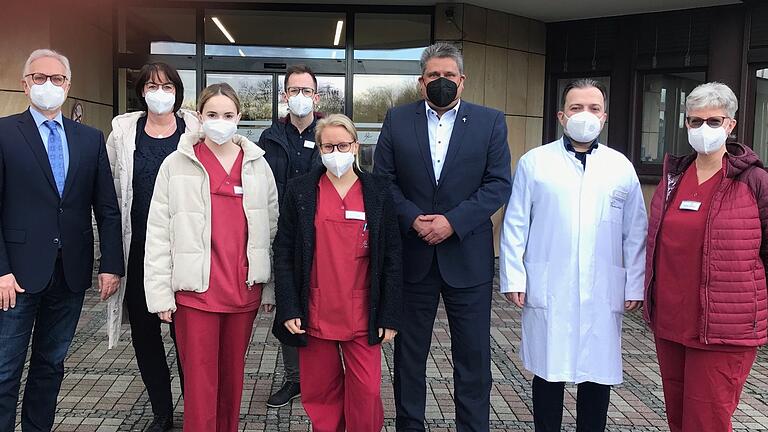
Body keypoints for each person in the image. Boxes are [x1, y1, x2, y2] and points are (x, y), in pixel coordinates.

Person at [373, 42, 512, 431]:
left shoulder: (490, 122)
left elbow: (498, 184)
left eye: (449, 75)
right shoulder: (397, 120)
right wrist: (414, 219)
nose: (442, 82)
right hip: (413, 256)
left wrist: (452, 222)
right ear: (421, 82)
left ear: (462, 81)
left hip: (467, 259)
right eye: (434, 75)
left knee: (473, 357)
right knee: (409, 357)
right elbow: (384, 181)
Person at [500, 78, 647, 432]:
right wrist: (515, 276)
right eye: (577, 108)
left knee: (596, 374)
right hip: (551, 283)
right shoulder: (535, 162)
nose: (585, 115)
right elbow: (515, 223)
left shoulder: (620, 167)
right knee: (549, 370)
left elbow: (636, 231)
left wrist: (634, 285)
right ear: (561, 116)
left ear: (605, 116)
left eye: (594, 108)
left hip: (601, 286)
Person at [0, 48, 124, 431]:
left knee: (50, 365)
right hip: (15, 277)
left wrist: (111, 265)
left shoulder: (89, 139)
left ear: (68, 86)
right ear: (25, 84)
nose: (48, 85)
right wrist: (1, 271)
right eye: (39, 78)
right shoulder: (4, 132)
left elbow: (106, 207)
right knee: (5, 369)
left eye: (56, 79)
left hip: (69, 273)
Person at [144, 83, 278, 432]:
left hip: (242, 292)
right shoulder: (177, 164)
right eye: (212, 115)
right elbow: (158, 233)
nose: (220, 121)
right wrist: (160, 293)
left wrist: (270, 287)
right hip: (195, 294)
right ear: (199, 117)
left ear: (239, 118)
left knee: (232, 382)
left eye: (228, 115)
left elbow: (272, 229)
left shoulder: (257, 165)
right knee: (200, 385)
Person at [644, 82, 768, 432]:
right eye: (695, 121)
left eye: (713, 121)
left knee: (706, 421)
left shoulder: (753, 181)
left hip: (724, 328)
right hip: (672, 322)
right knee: (679, 419)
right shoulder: (674, 178)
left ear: (730, 125)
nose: (703, 129)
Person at [272, 113, 402, 431]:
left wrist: (390, 314)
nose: (336, 152)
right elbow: (285, 251)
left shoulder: (379, 191)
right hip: (315, 311)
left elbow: (393, 256)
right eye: (328, 146)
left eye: (343, 145)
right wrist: (288, 305)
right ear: (319, 148)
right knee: (321, 394)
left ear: (356, 146)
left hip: (362, 312)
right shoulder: (300, 190)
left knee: (367, 391)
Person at [105, 62, 199, 432]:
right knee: (146, 339)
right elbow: (110, 198)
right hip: (140, 251)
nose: (159, 92)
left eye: (166, 86)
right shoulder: (124, 133)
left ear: (177, 91)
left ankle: (196, 408)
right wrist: (110, 260)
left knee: (188, 338)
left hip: (185, 253)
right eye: (151, 85)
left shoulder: (196, 130)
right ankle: (162, 410)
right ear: (141, 91)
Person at [258, 64, 323, 407]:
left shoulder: (327, 133)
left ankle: (319, 377)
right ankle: (293, 379)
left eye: (307, 91)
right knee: (288, 303)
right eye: (294, 91)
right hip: (282, 233)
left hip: (320, 234)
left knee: (319, 303)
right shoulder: (270, 137)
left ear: (316, 95)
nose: (301, 97)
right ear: (285, 96)